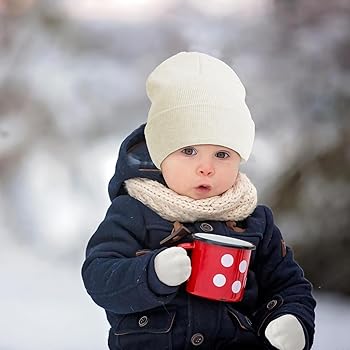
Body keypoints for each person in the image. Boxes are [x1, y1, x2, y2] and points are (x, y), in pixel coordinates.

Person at [82, 52, 316, 350]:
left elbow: (289, 285)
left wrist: (290, 318)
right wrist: (151, 275)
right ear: (160, 153)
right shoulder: (134, 212)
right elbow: (99, 277)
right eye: (189, 150)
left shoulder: (256, 223)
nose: (206, 167)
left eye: (222, 154)